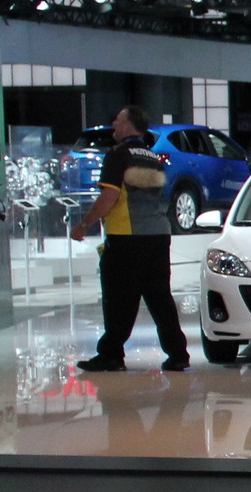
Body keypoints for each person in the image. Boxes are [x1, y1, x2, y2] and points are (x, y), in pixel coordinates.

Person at [69, 106, 190, 372]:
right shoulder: (153, 157)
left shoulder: (118, 155)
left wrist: (84, 224)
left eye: (118, 119)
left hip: (128, 237)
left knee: (118, 297)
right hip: (158, 235)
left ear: (129, 126)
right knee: (160, 297)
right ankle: (178, 353)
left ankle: (111, 354)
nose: (114, 122)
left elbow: (109, 196)